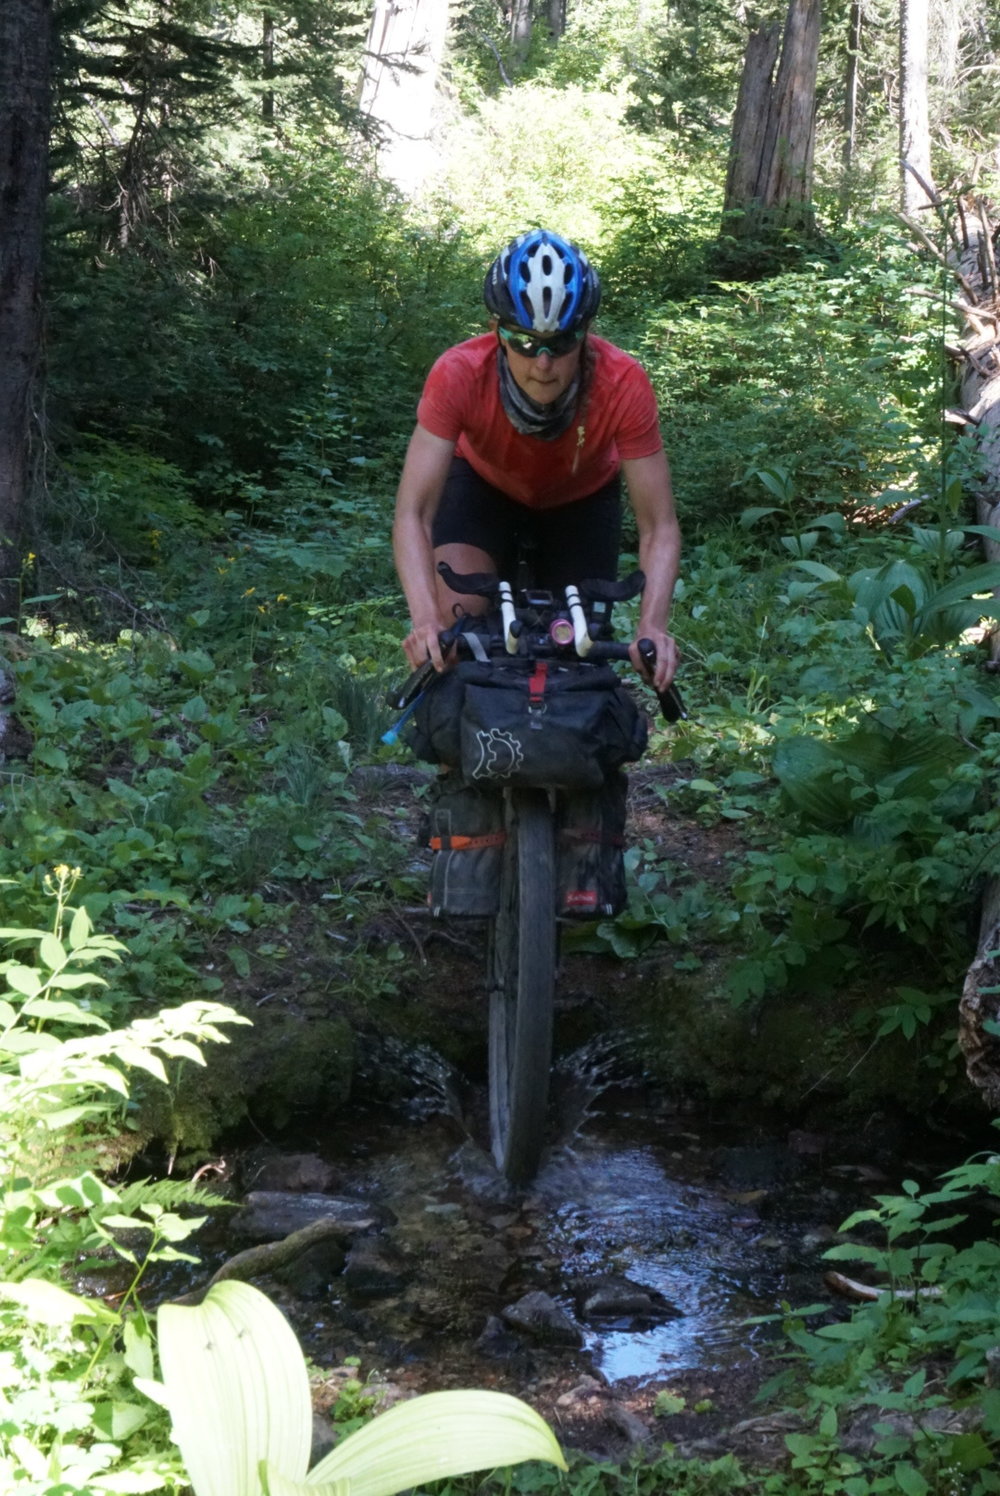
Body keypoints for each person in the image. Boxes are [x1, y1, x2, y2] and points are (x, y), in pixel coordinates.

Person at [392, 228, 681, 692]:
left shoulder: (623, 381)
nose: (542, 363)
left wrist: (652, 627)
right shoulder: (458, 372)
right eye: (525, 342)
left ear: (585, 334)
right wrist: (426, 622)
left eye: (561, 343)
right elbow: (413, 513)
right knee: (456, 622)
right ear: (497, 332)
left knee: (576, 648)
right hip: (484, 484)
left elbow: (659, 525)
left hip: (580, 495)